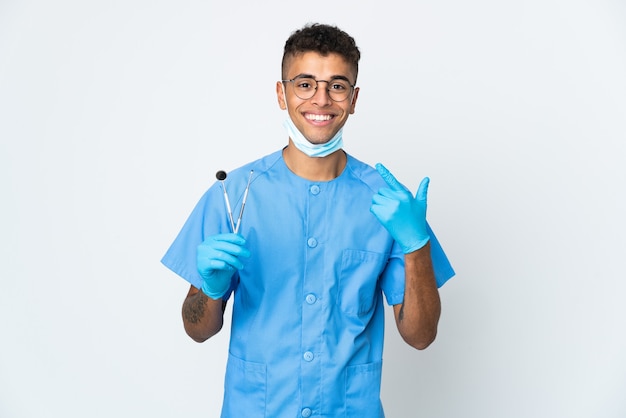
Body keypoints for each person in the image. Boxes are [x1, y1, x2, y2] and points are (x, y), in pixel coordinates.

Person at [161, 22, 455, 418]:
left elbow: (420, 336)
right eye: (305, 84)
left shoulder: (389, 205)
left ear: (353, 98)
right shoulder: (233, 196)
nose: (321, 99)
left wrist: (416, 244)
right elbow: (197, 329)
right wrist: (211, 290)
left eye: (336, 85)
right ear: (281, 94)